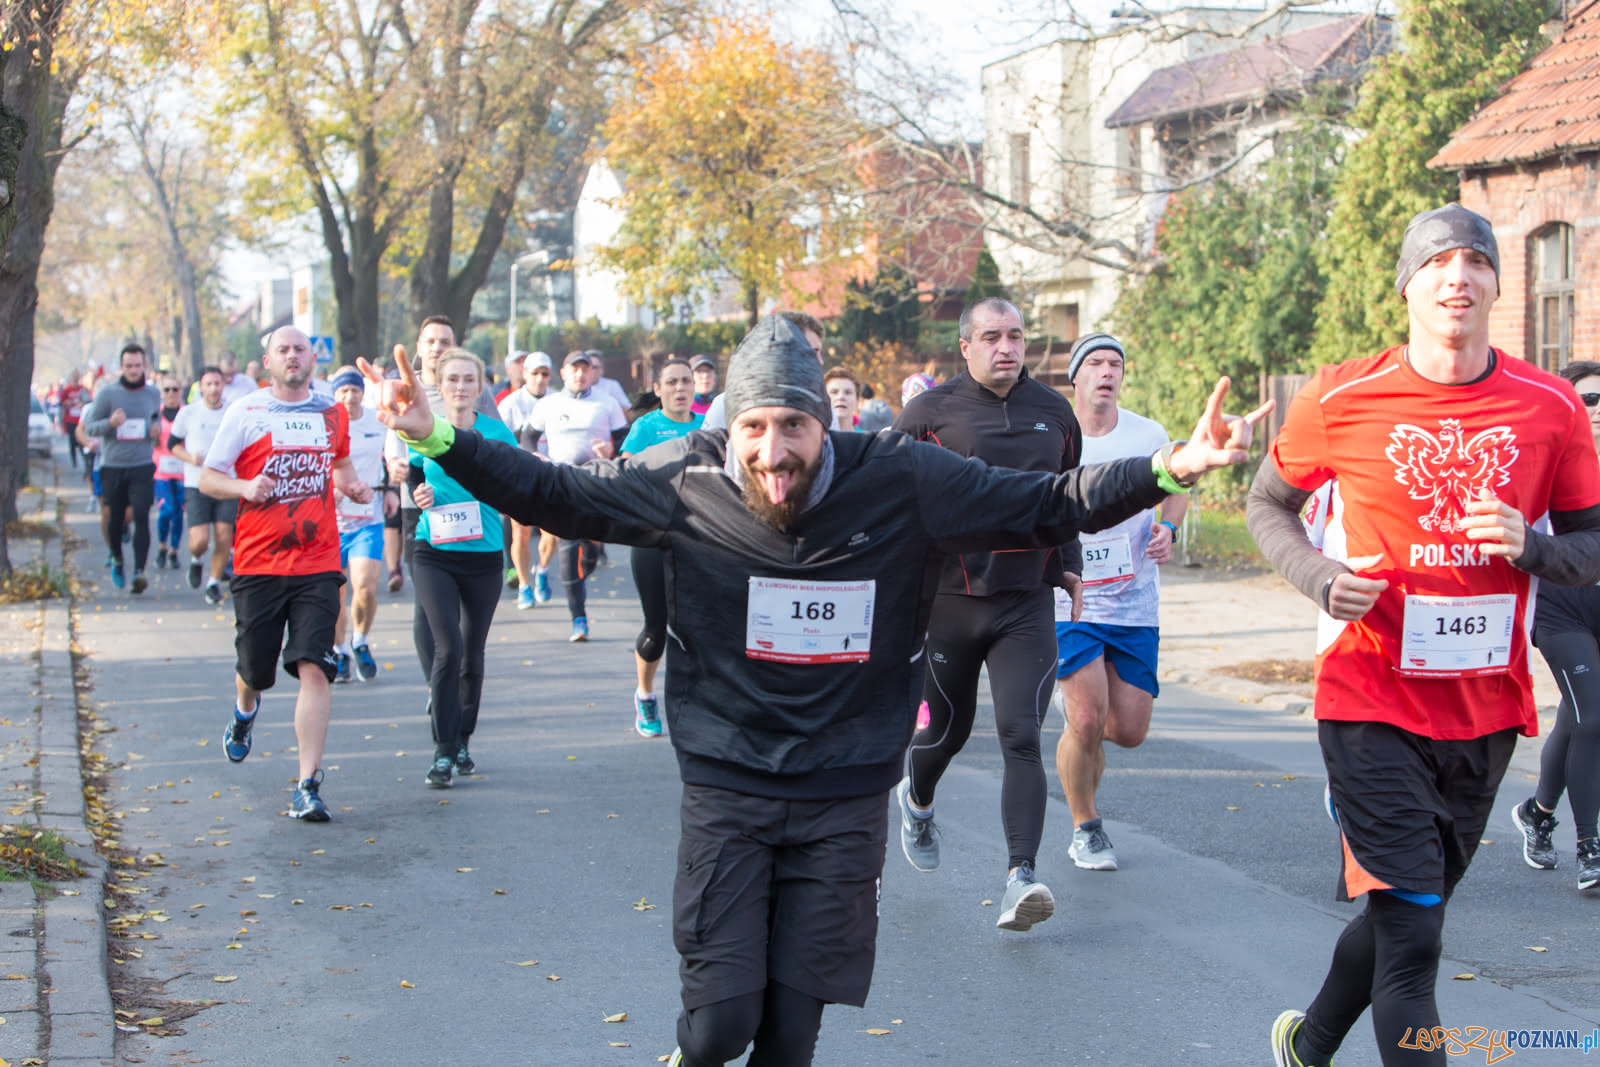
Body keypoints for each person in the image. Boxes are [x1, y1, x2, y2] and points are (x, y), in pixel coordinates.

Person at [359, 312, 1265, 1067]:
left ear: (822, 424)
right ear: (730, 426)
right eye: (755, 427)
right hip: (729, 779)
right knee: (721, 1029)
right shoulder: (687, 476)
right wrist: (440, 435)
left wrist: (1166, 471)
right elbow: (555, 493)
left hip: (844, 787)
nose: (774, 450)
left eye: (792, 425)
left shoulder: (900, 478)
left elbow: (1043, 501)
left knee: (791, 1037)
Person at [1245, 204, 1600, 1067]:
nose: (1459, 275)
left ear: (1494, 287)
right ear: (1408, 285)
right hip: (1368, 699)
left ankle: (1312, 1039)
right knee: (1415, 948)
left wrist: (1537, 547)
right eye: (1439, 260)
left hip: (1482, 710)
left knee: (1412, 907)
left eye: (1477, 260)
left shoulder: (1551, 406)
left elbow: (1594, 546)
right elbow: (1267, 504)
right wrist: (1322, 578)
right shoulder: (1341, 393)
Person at [891, 297, 1083, 931]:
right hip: (948, 600)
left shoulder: (1054, 414)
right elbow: (887, 492)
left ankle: (1020, 877)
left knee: (1022, 734)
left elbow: (1070, 494)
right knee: (944, 731)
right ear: (966, 347)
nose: (1007, 347)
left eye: (1017, 336)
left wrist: (1071, 565)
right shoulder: (929, 413)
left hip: (1026, 602)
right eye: (992, 337)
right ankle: (917, 800)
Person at [199, 326, 373, 823]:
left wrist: (353, 488)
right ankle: (244, 712)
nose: (293, 357)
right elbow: (210, 477)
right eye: (284, 350)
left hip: (318, 561)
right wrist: (244, 486)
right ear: (268, 361)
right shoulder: (246, 411)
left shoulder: (331, 412)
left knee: (315, 668)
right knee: (255, 670)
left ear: (312, 358)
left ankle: (307, 784)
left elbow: (338, 469)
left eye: (300, 349)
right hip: (258, 561)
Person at [1052, 332, 1186, 871]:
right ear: (1077, 375)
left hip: (1133, 602)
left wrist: (1168, 528)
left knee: (1124, 731)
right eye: (1097, 363)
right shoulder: (1056, 435)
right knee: (1085, 720)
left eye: (1116, 364)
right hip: (1070, 599)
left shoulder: (1147, 433)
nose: (1107, 372)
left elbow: (1179, 483)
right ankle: (1086, 826)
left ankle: (1082, 750)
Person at [404, 349, 517, 787]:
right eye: (452, 379)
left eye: (468, 379)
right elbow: (415, 472)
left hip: (484, 555)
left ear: (479, 385)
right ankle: (443, 751)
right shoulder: (427, 425)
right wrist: (419, 495)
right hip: (434, 550)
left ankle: (464, 738)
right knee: (447, 649)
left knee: (472, 654)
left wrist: (503, 495)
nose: (460, 387)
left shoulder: (495, 433)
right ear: (440, 381)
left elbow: (516, 479)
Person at [1509, 358, 1600, 893]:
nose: (1598, 410)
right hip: (1560, 606)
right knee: (1593, 721)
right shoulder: (1542, 461)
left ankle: (1539, 812)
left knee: (1577, 715)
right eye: (1587, 400)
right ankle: (1591, 849)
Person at [619, 356, 703, 737]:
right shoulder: (645, 427)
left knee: (702, 627)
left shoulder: (707, 425)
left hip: (699, 537)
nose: (680, 388)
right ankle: (646, 694)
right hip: (653, 536)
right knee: (656, 629)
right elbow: (625, 470)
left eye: (686, 381)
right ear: (658, 389)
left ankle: (702, 706)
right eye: (672, 382)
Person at [524, 350, 629, 641]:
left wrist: (611, 452)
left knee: (592, 551)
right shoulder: (549, 404)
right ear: (564, 373)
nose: (581, 374)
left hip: (595, 480)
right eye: (575, 369)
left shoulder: (606, 403)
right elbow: (528, 437)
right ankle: (578, 618)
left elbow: (624, 438)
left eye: (585, 369)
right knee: (567, 546)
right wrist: (536, 457)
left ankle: (585, 567)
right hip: (562, 481)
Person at [81, 343, 163, 593]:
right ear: (121, 367)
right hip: (114, 466)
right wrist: (111, 423)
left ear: (144, 366)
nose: (134, 370)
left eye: (138, 365)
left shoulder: (152, 393)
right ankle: (117, 557)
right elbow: (90, 427)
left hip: (142, 464)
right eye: (129, 366)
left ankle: (139, 571)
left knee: (141, 516)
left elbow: (155, 423)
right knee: (115, 519)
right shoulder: (108, 393)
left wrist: (155, 431)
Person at [330, 367, 392, 684]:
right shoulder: (324, 423)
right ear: (335, 395)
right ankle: (339, 649)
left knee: (365, 586)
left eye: (354, 390)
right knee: (335, 593)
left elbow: (393, 455)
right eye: (343, 391)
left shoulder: (376, 422)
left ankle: (360, 640)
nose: (350, 396)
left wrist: (392, 489)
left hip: (369, 517)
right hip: (331, 521)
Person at [168, 366, 236, 604]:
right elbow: (172, 444)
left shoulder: (233, 412)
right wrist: (190, 458)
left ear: (223, 386)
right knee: (199, 541)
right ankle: (196, 560)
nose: (214, 388)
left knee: (224, 536)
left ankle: (213, 582)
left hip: (227, 482)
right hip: (196, 483)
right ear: (201, 387)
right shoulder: (189, 413)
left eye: (217, 384)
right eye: (209, 384)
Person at [498, 351, 555, 607]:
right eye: (535, 374)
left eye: (545, 374)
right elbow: (499, 442)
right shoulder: (510, 404)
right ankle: (523, 585)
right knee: (520, 535)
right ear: (525, 375)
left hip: (551, 475)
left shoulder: (558, 401)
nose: (540, 379)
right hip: (518, 477)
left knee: (552, 533)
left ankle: (541, 570)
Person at [152, 376, 187, 570]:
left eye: (175, 389)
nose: (171, 393)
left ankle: (174, 550)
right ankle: (162, 546)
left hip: (182, 471)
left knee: (179, 514)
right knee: (167, 509)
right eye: (167, 390)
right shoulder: (156, 415)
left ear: (181, 391)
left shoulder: (187, 414)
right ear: (162, 393)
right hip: (161, 471)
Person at [59, 371, 89, 471]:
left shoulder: (83, 389)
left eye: (77, 377)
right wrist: (66, 403)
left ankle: (84, 462)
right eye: (74, 377)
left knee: (81, 441)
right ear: (71, 378)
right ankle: (74, 462)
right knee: (72, 441)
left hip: (80, 420)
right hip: (70, 420)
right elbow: (62, 403)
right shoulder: (67, 390)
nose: (75, 379)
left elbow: (88, 401)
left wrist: (82, 404)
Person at [822, 366, 861, 431]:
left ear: (857, 401)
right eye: (834, 392)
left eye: (848, 392)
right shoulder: (812, 439)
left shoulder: (868, 440)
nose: (841, 397)